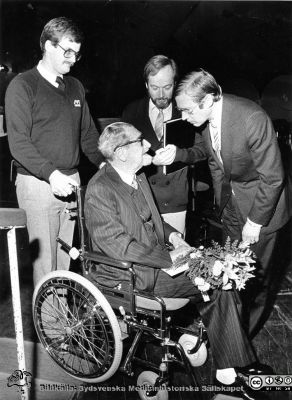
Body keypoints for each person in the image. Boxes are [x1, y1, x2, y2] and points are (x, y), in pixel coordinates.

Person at [85, 122, 271, 399]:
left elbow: (155, 221)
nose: (148, 145)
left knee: (220, 275)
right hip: (130, 275)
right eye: (140, 142)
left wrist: (175, 239)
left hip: (154, 261)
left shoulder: (136, 176)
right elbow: (119, 247)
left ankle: (229, 367)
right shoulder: (100, 189)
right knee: (218, 280)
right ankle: (230, 372)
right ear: (122, 153)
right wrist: (168, 257)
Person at [175, 68, 291, 338]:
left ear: (207, 100)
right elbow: (214, 158)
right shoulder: (205, 120)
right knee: (230, 274)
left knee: (254, 283)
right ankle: (229, 330)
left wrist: (255, 222)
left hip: (262, 212)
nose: (183, 117)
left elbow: (273, 179)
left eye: (187, 110)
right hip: (231, 210)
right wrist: (222, 205)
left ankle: (242, 340)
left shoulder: (251, 118)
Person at [5, 17, 103, 285]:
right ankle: (49, 328)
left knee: (65, 267)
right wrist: (52, 174)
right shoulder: (23, 86)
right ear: (48, 45)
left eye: (77, 53)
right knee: (46, 269)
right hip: (39, 184)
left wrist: (107, 165)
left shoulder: (75, 87)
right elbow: (19, 144)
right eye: (67, 51)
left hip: (72, 182)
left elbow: (88, 136)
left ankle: (61, 328)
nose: (73, 59)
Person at [122, 55, 205, 235]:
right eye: (154, 88)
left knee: (177, 257)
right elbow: (122, 158)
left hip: (175, 202)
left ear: (175, 83)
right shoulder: (131, 112)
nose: (161, 95)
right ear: (146, 85)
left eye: (167, 87)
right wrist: (150, 160)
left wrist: (180, 155)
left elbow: (203, 150)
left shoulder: (187, 110)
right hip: (142, 201)